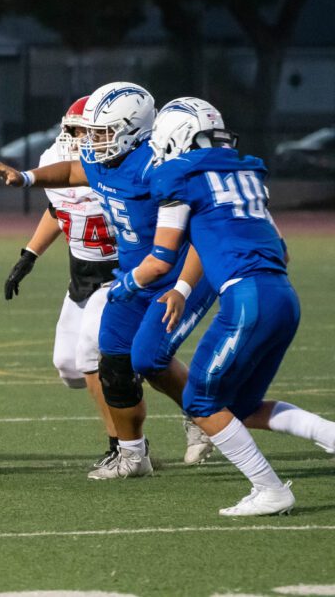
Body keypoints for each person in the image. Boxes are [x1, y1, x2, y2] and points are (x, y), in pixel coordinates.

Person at [0, 82, 216, 480]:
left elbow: (202, 231)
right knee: (112, 365)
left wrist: (181, 286)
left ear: (132, 128)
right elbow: (75, 170)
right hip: (132, 277)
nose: (89, 141)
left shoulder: (157, 165)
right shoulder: (101, 159)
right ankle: (132, 455)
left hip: (176, 274)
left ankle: (209, 420)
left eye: (99, 132)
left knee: (149, 360)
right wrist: (25, 178)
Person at [115, 96, 335, 515]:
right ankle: (329, 434)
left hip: (246, 299)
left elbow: (160, 256)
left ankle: (270, 488)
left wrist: (126, 283)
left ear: (173, 137)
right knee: (243, 407)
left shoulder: (177, 176)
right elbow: (277, 250)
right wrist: (182, 287)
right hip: (282, 296)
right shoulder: (246, 175)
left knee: (201, 403)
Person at [3, 96, 120, 469]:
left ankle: (125, 445)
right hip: (82, 277)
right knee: (69, 368)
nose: (73, 137)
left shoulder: (115, 165)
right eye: (70, 129)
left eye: (84, 130)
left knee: (93, 359)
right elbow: (59, 208)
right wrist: (29, 255)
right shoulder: (54, 159)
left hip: (120, 274)